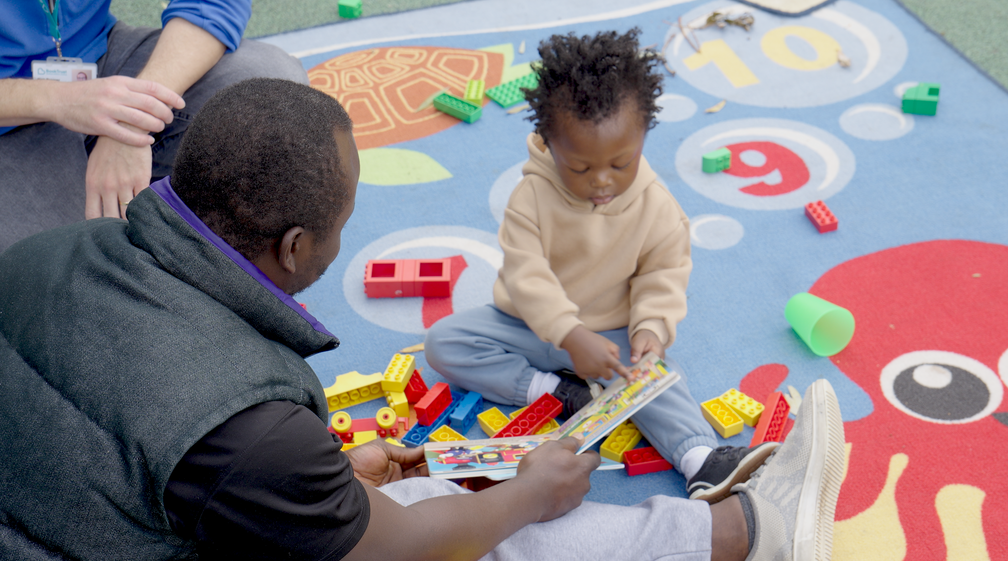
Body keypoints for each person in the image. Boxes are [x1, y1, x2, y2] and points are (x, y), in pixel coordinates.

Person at [0, 78, 844, 561]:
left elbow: (125, 435)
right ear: (297, 247)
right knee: (475, 525)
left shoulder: (48, 252)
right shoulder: (249, 425)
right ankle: (748, 533)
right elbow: (390, 553)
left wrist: (325, 476)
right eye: (342, 223)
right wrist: (524, 496)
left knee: (431, 495)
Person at [424, 29, 772, 505]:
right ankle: (558, 391)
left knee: (656, 378)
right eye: (581, 168)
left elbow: (662, 274)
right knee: (444, 342)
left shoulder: (657, 205)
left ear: (644, 136)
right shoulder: (530, 196)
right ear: (549, 144)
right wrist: (568, 335)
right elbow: (528, 277)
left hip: (611, 334)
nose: (603, 181)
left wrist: (650, 328)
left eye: (621, 162)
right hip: (527, 324)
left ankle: (700, 461)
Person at [0, 0, 307, 252]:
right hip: (10, 114)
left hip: (96, 56)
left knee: (275, 95)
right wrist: (62, 99)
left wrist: (132, 120)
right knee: (53, 267)